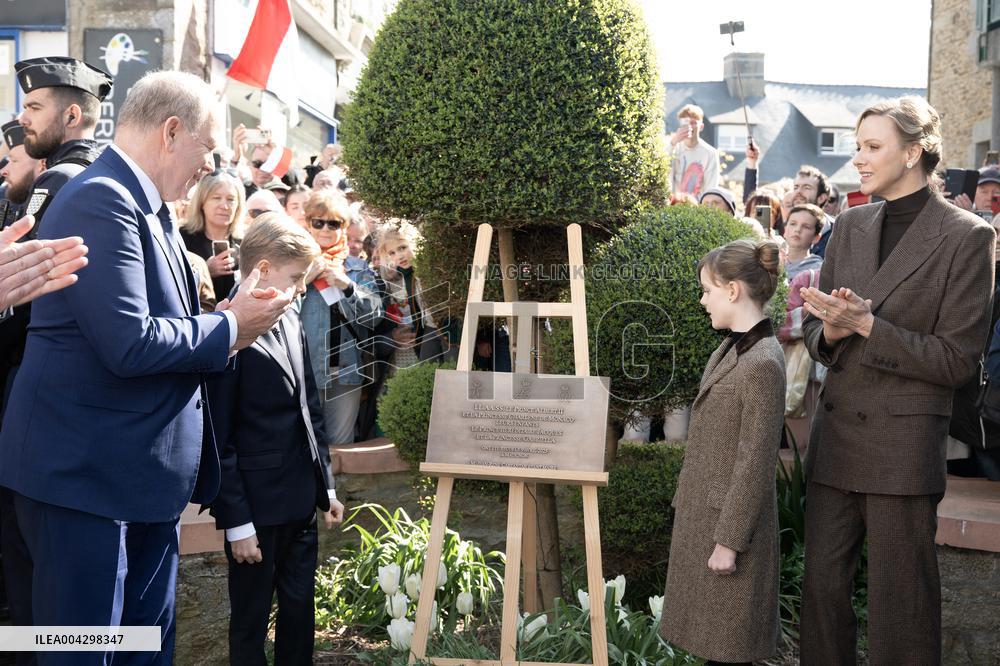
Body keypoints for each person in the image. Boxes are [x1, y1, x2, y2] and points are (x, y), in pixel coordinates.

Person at [0, 70, 296, 665]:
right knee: (83, 652)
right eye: (206, 149)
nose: (209, 166)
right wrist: (231, 328)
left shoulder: (143, 202)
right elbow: (129, 343)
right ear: (170, 131)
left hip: (132, 483)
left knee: (137, 648)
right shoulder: (100, 199)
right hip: (87, 481)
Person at [798, 96, 995, 665]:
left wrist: (865, 324)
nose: (858, 159)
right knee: (822, 595)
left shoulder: (967, 236)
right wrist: (833, 332)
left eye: (872, 147)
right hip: (836, 444)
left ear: (913, 152)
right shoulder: (852, 225)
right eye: (858, 146)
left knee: (901, 608)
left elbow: (957, 361)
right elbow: (816, 336)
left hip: (903, 451)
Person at [207, 214, 345, 665]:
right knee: (250, 620)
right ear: (262, 269)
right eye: (295, 278)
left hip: (301, 499)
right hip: (256, 510)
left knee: (300, 609)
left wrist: (324, 484)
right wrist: (238, 523)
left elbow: (309, 408)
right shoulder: (224, 328)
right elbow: (219, 436)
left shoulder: (289, 319)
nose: (301, 288)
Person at [660, 238, 785, 665]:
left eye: (707, 290)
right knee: (713, 646)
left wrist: (729, 542)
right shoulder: (732, 346)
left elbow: (755, 460)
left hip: (730, 531)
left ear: (733, 290)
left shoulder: (763, 361)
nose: (702, 300)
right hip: (707, 519)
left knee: (729, 651)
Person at [300, 190, 382, 446]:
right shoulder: (294, 264)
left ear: (344, 227)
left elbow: (374, 318)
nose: (325, 229)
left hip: (347, 371)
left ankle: (337, 489)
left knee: (341, 445)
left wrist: (348, 287)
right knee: (305, 444)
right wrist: (304, 280)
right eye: (318, 222)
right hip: (306, 370)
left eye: (334, 223)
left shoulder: (357, 268)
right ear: (308, 224)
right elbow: (278, 314)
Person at [181, 170, 245, 301]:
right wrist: (205, 271)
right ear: (202, 203)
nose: (224, 206)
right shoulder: (183, 238)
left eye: (231, 199)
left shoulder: (245, 242)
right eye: (216, 198)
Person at [669, 104, 719, 197]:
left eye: (693, 123)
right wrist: (673, 143)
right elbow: (661, 171)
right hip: (672, 206)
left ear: (701, 127)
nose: (689, 126)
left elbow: (711, 188)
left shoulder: (710, 153)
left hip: (697, 208)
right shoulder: (673, 148)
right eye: (685, 122)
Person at [782, 204, 824, 279]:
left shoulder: (818, 270)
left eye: (806, 227)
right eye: (793, 224)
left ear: (816, 237)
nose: (797, 229)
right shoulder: (773, 262)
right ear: (785, 230)